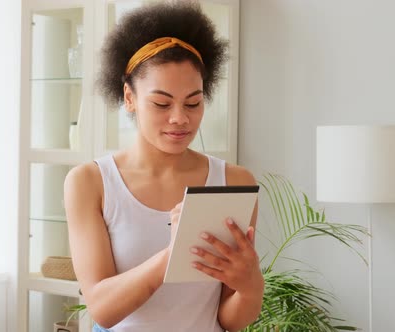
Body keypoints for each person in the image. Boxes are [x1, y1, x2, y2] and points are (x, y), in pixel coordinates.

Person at [64, 1, 264, 331]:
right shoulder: (90, 182)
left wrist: (251, 285)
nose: (180, 118)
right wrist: (173, 255)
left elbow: (229, 319)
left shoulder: (233, 181)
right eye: (161, 103)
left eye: (193, 102)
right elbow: (101, 307)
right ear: (129, 97)